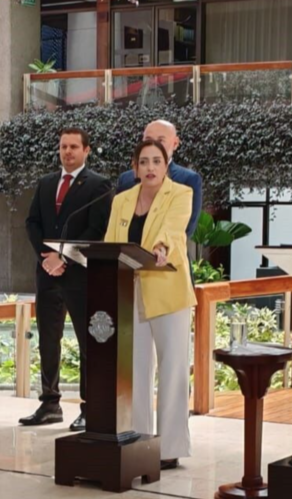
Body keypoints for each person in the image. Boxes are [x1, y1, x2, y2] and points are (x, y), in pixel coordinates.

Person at [105, 138, 195, 470]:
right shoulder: (121, 200)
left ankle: (169, 448)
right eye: (143, 162)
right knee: (135, 371)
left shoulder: (181, 194)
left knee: (173, 370)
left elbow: (172, 230)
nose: (150, 167)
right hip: (129, 291)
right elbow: (110, 242)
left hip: (168, 290)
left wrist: (160, 247)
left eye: (156, 161)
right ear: (135, 168)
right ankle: (139, 440)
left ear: (166, 165)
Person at [22, 128, 113, 431]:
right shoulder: (46, 183)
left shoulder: (99, 185)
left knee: (87, 342)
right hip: (47, 274)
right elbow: (32, 223)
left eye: (74, 146)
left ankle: (90, 407)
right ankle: (50, 403)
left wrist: (63, 257)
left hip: (80, 275)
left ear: (87, 150)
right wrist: (45, 259)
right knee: (48, 340)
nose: (68, 152)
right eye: (63, 146)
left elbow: (96, 229)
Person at [117, 120, 202, 238]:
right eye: (148, 140)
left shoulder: (188, 179)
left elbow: (186, 228)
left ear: (175, 143)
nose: (153, 145)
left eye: (160, 140)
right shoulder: (126, 179)